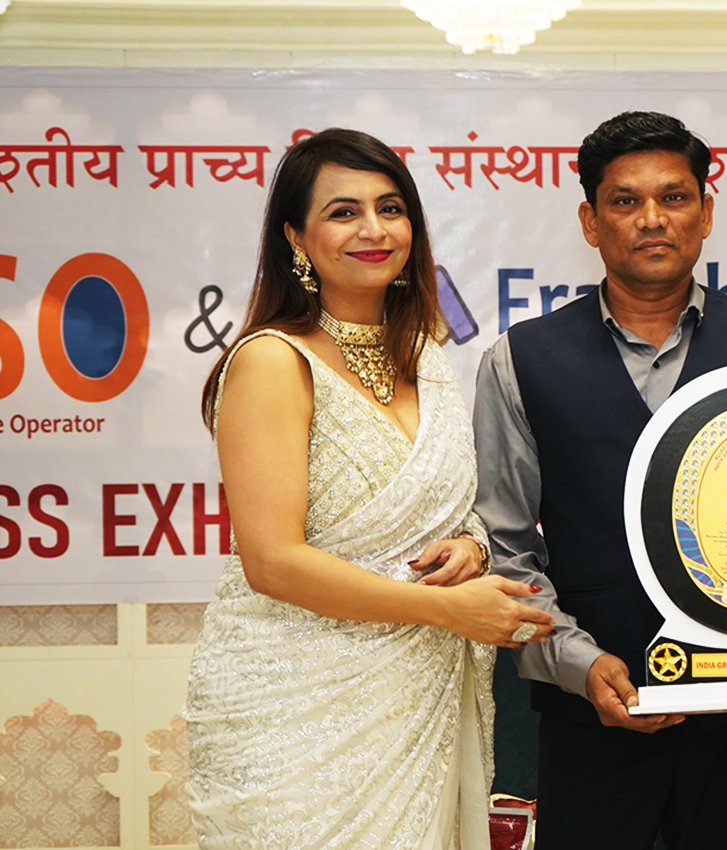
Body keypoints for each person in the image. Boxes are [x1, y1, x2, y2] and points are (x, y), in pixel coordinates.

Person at [183, 128, 554, 850]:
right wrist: (447, 610)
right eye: (343, 212)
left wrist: (472, 548)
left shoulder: (427, 357)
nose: (374, 230)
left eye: (390, 208)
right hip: (293, 713)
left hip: (416, 699)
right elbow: (272, 562)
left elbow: (458, 507)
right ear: (296, 236)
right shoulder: (272, 361)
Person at [472, 111, 727, 850]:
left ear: (706, 213)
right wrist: (579, 664)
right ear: (590, 222)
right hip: (591, 707)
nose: (652, 219)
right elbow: (506, 551)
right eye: (625, 201)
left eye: (673, 197)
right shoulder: (520, 360)